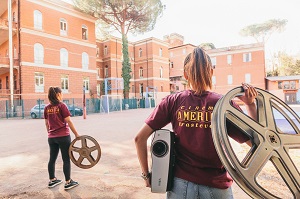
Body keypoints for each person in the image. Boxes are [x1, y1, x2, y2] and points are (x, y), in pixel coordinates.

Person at [134, 47, 258, 199]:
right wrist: (251, 105)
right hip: (216, 185)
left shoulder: (172, 101)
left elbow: (139, 139)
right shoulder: (225, 105)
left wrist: (147, 176)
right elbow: (255, 142)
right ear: (211, 72)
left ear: (186, 75)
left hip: (180, 185)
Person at [44, 86, 80, 190]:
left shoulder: (47, 108)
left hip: (51, 137)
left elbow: (46, 124)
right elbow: (68, 121)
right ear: (58, 95)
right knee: (66, 159)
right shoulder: (62, 106)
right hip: (63, 136)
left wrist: (50, 134)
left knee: (52, 159)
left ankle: (52, 180)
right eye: (61, 93)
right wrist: (76, 134)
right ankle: (68, 182)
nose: (62, 95)